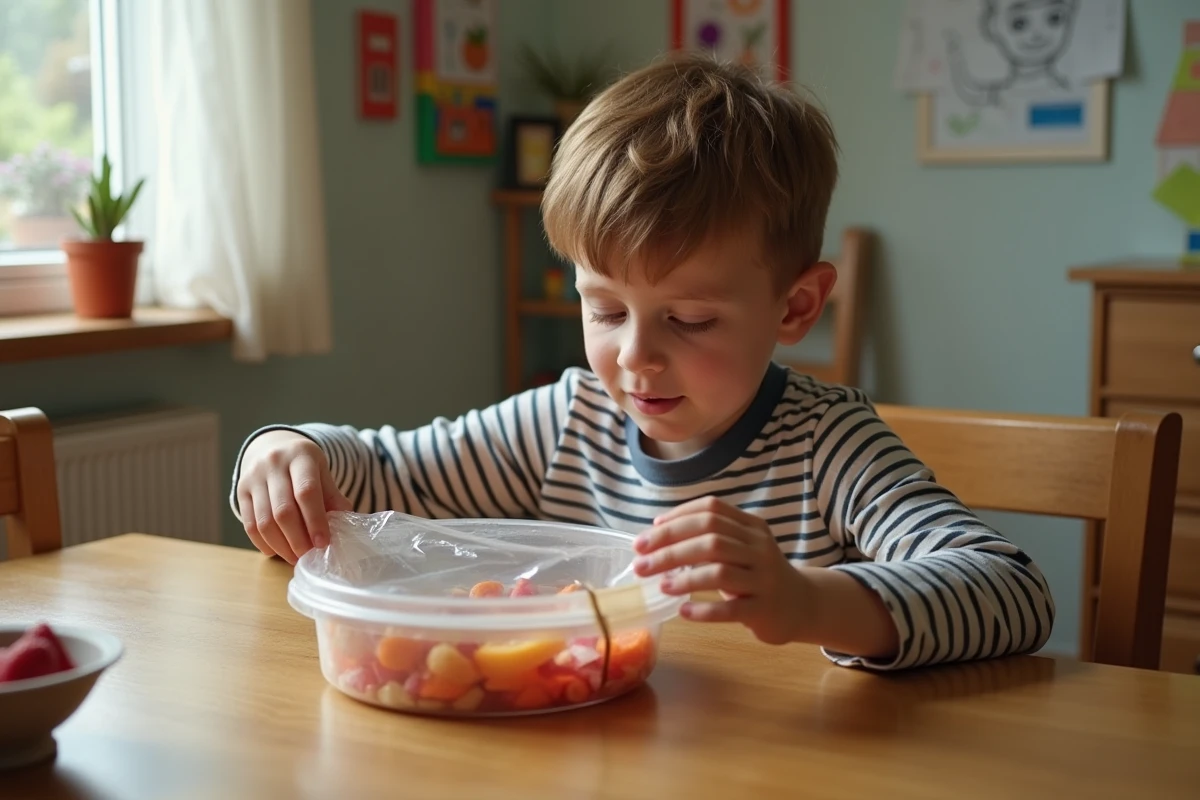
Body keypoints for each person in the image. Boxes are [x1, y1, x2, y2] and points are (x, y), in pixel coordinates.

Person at [231, 52, 1054, 670]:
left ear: (796, 306)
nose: (634, 357)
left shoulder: (826, 446)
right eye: (605, 309)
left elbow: (1013, 592)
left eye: (690, 319)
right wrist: (286, 450)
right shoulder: (568, 420)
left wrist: (806, 601)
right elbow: (383, 476)